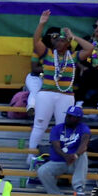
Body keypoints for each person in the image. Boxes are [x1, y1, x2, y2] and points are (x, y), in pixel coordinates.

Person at [30, 10, 89, 157]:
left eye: (62, 40)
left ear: (68, 43)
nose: (58, 42)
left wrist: (73, 36)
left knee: (62, 128)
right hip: (46, 94)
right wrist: (41, 24)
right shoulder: (48, 53)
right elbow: (36, 40)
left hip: (66, 95)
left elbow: (90, 48)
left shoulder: (73, 56)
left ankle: (59, 156)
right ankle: (30, 157)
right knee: (39, 124)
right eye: (56, 39)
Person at [38, 103, 93, 196]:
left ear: (78, 119)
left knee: (83, 154)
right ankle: (56, 195)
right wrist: (66, 156)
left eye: (71, 116)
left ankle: (79, 188)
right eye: (67, 115)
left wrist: (75, 155)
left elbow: (84, 145)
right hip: (59, 162)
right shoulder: (57, 128)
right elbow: (56, 146)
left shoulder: (83, 128)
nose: (67, 117)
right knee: (42, 171)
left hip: (75, 163)